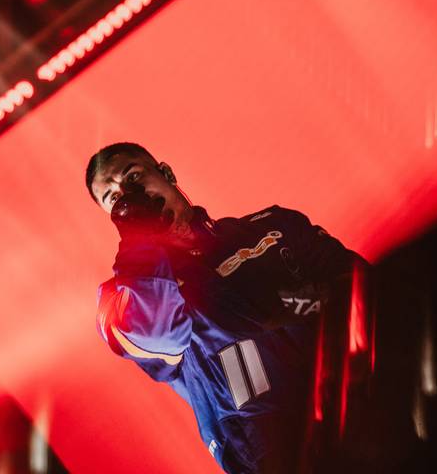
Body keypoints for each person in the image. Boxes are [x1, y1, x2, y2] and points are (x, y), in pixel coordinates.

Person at [86, 142, 367, 473]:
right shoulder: (121, 299)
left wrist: (264, 310)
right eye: (115, 199)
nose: (130, 198)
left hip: (368, 409)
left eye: (133, 177)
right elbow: (157, 333)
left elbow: (362, 288)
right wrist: (140, 241)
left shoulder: (274, 227)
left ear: (166, 173)